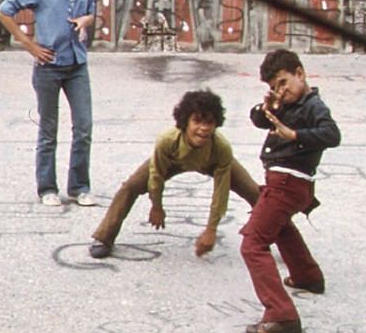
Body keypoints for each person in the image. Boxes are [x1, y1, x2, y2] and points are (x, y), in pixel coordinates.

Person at [240, 48, 340, 333]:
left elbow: (332, 135)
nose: (280, 91)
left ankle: (282, 315)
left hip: (289, 183)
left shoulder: (313, 105)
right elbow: (259, 120)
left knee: (253, 243)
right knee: (280, 226)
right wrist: (267, 106)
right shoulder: (285, 103)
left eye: (284, 83)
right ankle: (307, 277)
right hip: (285, 184)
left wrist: (296, 136)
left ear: (300, 73)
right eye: (274, 87)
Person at [88, 89, 258, 259]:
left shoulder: (221, 147)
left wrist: (211, 230)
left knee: (255, 192)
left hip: (210, 163)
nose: (204, 128)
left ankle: (283, 238)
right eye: (197, 121)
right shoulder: (167, 141)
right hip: (172, 162)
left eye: (210, 123)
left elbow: (221, 191)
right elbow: (156, 175)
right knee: (130, 186)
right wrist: (156, 206)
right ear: (185, 122)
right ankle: (104, 237)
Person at [0, 0, 98, 206]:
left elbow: (90, 12)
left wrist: (86, 21)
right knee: (49, 129)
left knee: (84, 127)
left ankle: (79, 187)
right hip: (49, 66)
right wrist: (29, 45)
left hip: (77, 64)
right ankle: (47, 188)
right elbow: (4, 11)